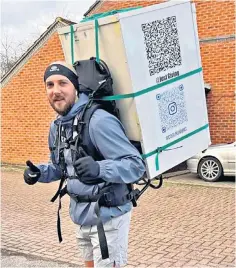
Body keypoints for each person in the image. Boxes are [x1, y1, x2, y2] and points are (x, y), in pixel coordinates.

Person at [23, 61, 146, 268]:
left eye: (63, 83)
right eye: (49, 85)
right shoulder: (57, 126)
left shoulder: (99, 121)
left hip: (108, 217)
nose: (56, 91)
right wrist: (39, 173)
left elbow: (135, 166)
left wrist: (100, 168)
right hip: (80, 215)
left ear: (76, 87)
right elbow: (62, 168)